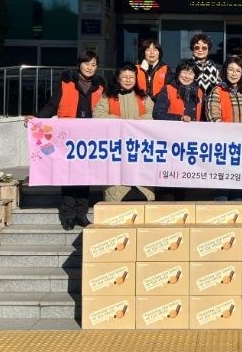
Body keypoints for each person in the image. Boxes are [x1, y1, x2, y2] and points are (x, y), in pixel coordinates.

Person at [30, 50, 106, 230]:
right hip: (68, 138)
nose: (90, 67)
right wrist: (37, 118)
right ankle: (68, 215)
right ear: (79, 64)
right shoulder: (66, 82)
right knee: (69, 176)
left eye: (94, 64)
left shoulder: (100, 85)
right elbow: (52, 106)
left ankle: (81, 214)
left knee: (85, 177)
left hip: (90, 139)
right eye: (86, 63)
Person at [94, 62, 156, 202]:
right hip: (116, 149)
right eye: (125, 77)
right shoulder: (108, 96)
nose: (128, 80)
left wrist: (140, 121)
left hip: (139, 149)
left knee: (143, 190)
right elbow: (98, 115)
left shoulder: (143, 97)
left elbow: (154, 115)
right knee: (117, 190)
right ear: (118, 78)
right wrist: (118, 121)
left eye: (131, 77)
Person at [207, 56, 242, 123]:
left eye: (238, 71)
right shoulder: (217, 91)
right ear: (225, 71)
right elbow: (213, 117)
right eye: (231, 70)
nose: (234, 74)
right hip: (224, 129)